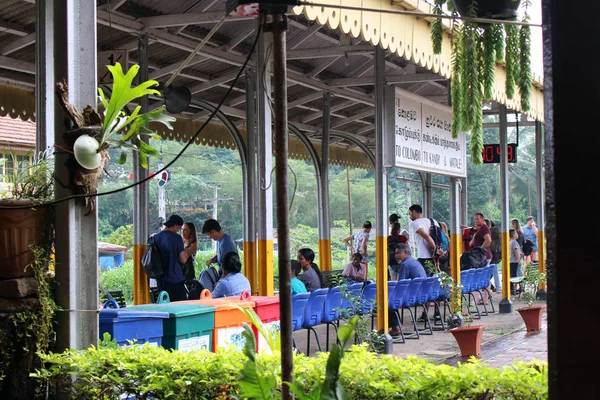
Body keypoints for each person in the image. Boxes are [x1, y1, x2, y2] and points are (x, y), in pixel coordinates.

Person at [388, 243, 427, 337]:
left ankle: (396, 327)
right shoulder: (414, 261)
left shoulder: (405, 265)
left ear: (405, 253)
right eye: (396, 253)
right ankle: (397, 325)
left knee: (387, 301)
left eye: (398, 253)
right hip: (421, 295)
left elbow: (401, 284)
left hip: (411, 297)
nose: (396, 255)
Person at [153, 215, 194, 302]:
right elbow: (183, 259)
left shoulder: (155, 238)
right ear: (174, 226)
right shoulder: (176, 238)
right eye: (179, 228)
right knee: (181, 306)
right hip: (175, 278)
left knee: (165, 306)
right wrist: (187, 253)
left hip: (161, 279)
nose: (178, 231)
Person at [470, 212, 501, 293]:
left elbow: (488, 240)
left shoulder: (484, 228)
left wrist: (480, 249)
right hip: (485, 256)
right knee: (485, 276)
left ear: (482, 219)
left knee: (480, 276)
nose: (476, 221)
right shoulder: (480, 229)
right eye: (475, 219)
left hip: (484, 256)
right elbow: (471, 243)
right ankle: (486, 297)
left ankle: (480, 296)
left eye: (478, 219)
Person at [408, 204, 438, 273]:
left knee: (425, 279)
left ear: (414, 212)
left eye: (410, 214)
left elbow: (426, 236)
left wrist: (434, 249)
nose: (410, 217)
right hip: (436, 257)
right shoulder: (433, 221)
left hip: (424, 257)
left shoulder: (415, 223)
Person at [181, 221, 200, 299]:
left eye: (185, 229)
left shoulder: (193, 245)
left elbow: (185, 256)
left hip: (188, 272)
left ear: (191, 231)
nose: (183, 232)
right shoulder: (182, 242)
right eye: (182, 229)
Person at [509, 229, 523, 295]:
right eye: (516, 233)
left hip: (512, 261)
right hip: (514, 261)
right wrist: (519, 260)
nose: (517, 235)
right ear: (514, 234)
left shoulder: (511, 241)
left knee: (513, 274)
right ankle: (513, 289)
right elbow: (515, 251)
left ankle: (513, 289)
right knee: (514, 276)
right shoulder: (514, 242)